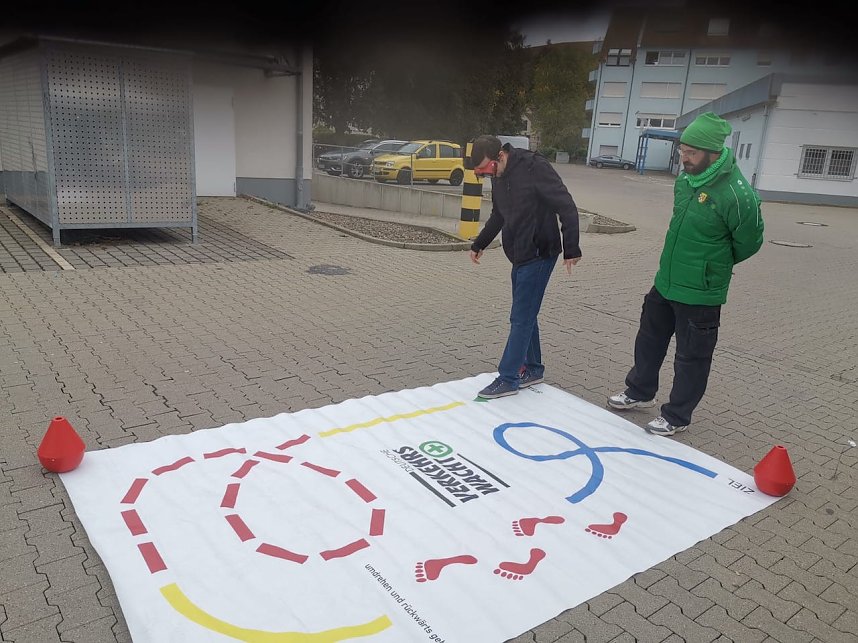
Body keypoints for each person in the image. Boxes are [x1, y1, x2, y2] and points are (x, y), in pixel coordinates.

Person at [608, 112, 764, 436]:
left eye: (691, 154)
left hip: (701, 291)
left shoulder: (738, 194)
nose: (684, 159)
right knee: (649, 340)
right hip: (666, 280)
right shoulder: (684, 181)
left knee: (691, 356)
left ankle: (677, 415)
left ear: (713, 153)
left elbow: (749, 243)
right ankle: (639, 392)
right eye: (682, 152)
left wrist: (712, 266)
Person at [468, 135, 582, 399]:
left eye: (487, 169)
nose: (487, 176)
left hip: (541, 252)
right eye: (481, 173)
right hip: (518, 253)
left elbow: (566, 206)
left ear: (501, 156)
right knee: (526, 312)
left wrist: (571, 248)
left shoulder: (534, 167)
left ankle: (508, 378)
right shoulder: (499, 177)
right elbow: (499, 214)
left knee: (520, 317)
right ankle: (533, 368)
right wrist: (479, 243)